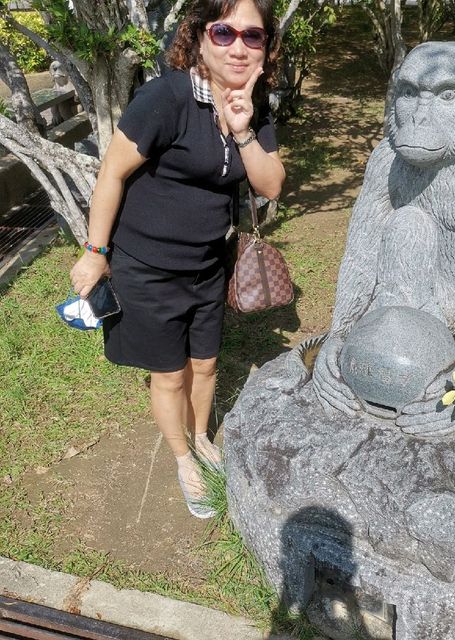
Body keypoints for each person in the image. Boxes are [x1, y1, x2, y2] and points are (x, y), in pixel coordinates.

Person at [69, 0, 285, 518]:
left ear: (264, 46)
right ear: (200, 36)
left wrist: (244, 129)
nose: (238, 45)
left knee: (206, 364)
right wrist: (96, 253)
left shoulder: (255, 102)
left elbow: (271, 184)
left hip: (210, 265)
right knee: (169, 375)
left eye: (252, 36)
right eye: (224, 31)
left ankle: (202, 435)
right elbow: (112, 173)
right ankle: (185, 458)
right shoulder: (166, 97)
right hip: (148, 267)